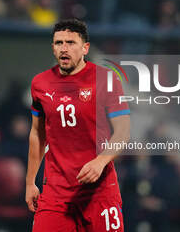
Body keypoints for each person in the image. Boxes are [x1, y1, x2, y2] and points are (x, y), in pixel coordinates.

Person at [25, 18, 130, 231]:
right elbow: (37, 134)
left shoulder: (106, 79)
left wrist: (100, 162)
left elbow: (123, 131)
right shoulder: (40, 83)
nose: (64, 48)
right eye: (59, 43)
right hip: (56, 193)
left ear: (85, 48)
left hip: (99, 191)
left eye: (71, 43)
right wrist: (30, 182)